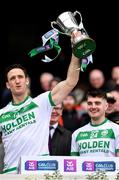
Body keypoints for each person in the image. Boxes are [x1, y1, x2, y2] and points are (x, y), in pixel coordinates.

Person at [0, 32, 81, 174]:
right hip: (10, 173)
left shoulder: (42, 102)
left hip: (39, 170)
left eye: (20, 77)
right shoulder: (1, 114)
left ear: (27, 80)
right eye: (13, 78)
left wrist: (76, 52)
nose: (17, 80)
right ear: (8, 85)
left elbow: (70, 82)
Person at [71, 89, 119, 157]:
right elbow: (74, 164)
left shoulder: (117, 130)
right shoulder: (77, 134)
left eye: (97, 103)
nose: (93, 107)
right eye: (90, 103)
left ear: (106, 106)